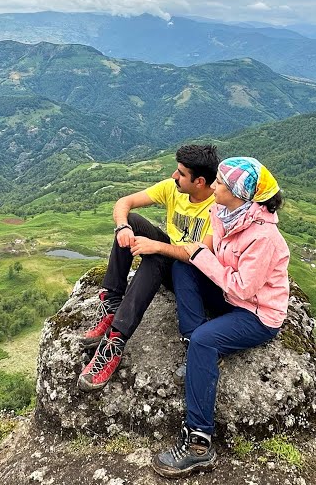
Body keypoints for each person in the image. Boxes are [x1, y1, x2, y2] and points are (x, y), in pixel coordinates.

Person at [139, 156, 290, 479]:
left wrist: (201, 256)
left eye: (220, 183)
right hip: (229, 296)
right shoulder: (226, 213)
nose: (214, 186)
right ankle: (192, 344)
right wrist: (194, 256)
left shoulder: (262, 237)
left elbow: (244, 288)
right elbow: (204, 255)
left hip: (257, 313)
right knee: (183, 266)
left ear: (237, 194)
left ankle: (199, 444)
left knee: (207, 341)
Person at [77, 144, 220, 391]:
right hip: (170, 259)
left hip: (190, 276)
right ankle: (111, 304)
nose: (174, 176)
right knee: (132, 221)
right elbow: (125, 202)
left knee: (158, 256)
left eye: (181, 173)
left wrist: (157, 247)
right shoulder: (172, 189)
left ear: (199, 181)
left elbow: (200, 255)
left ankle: (115, 343)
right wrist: (122, 227)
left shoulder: (218, 208)